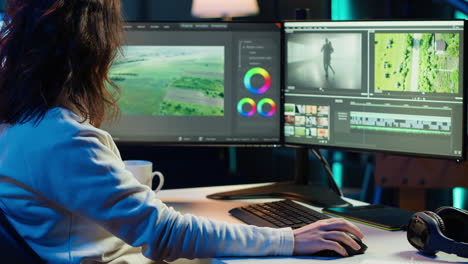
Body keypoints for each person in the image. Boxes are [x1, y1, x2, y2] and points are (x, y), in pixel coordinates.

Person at [0, 1, 364, 263]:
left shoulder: (22, 123)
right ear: (91, 51)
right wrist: (288, 239)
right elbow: (167, 234)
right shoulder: (64, 138)